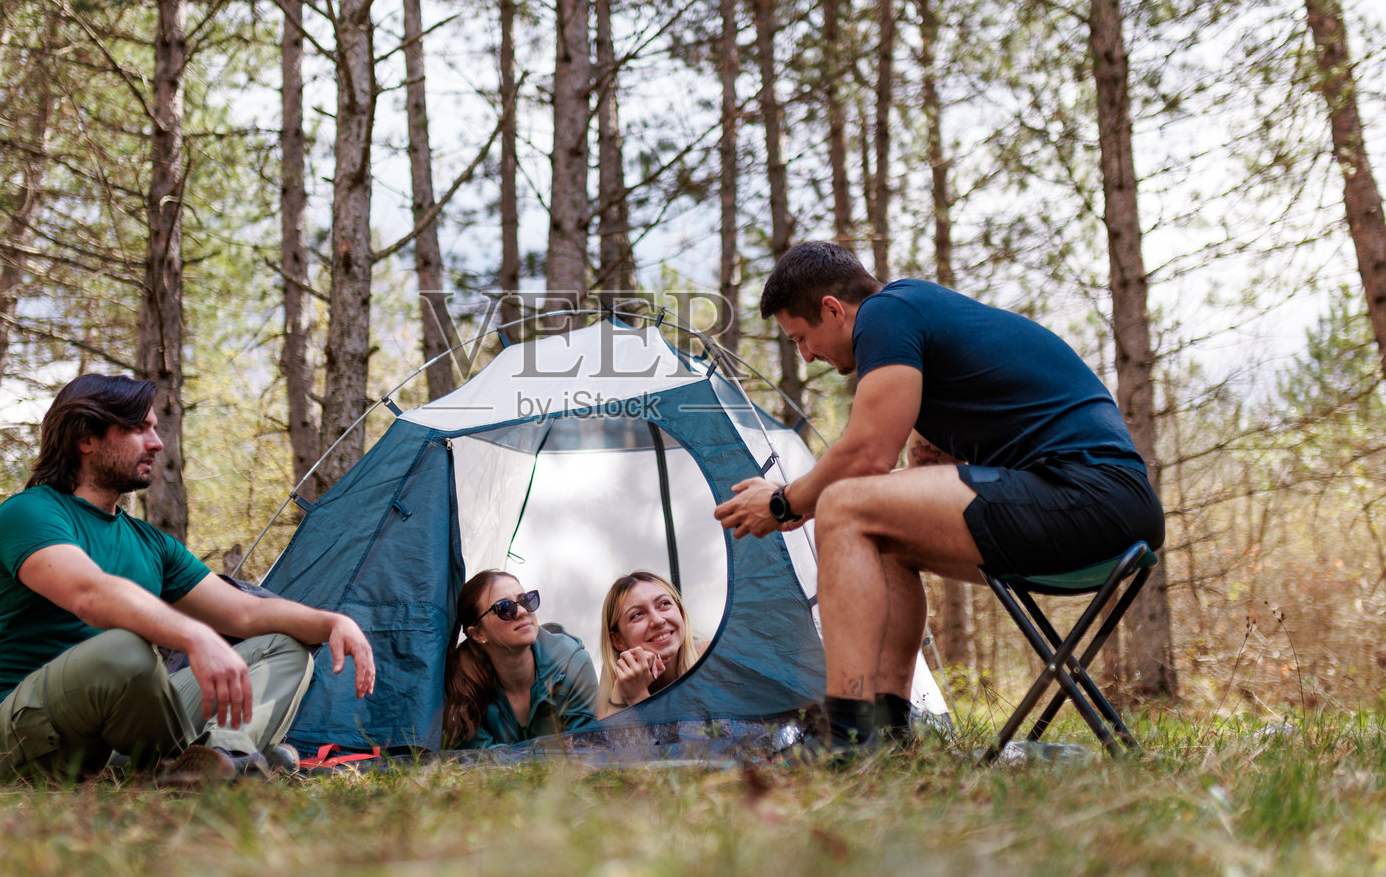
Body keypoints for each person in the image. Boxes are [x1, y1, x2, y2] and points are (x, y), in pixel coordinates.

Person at [714, 242, 1164, 756]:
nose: (807, 356)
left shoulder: (888, 311)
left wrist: (785, 502)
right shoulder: (925, 334)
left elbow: (866, 457)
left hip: (1089, 498)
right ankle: (884, 731)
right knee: (881, 535)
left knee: (844, 504)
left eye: (802, 338)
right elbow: (917, 473)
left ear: (833, 310)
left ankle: (846, 736)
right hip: (1102, 514)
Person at [0, 374, 377, 783]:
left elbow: (245, 612)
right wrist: (196, 636)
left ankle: (222, 759)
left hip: (105, 740)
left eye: (154, 428)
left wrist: (333, 623)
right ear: (86, 439)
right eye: (138, 429)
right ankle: (223, 761)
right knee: (125, 649)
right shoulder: (29, 513)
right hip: (1, 741)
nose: (156, 443)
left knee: (285, 646)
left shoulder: (150, 544)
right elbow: (88, 594)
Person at [442, 570, 598, 748]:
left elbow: (586, 749)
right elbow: (481, 763)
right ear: (477, 634)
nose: (523, 611)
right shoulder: (460, 681)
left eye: (526, 600)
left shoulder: (572, 663)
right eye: (505, 608)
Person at [596, 571, 706, 718]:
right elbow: (612, 740)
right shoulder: (617, 671)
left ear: (680, 612)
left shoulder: (708, 655)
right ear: (617, 640)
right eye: (637, 615)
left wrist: (638, 696)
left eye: (664, 604)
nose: (658, 620)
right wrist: (619, 693)